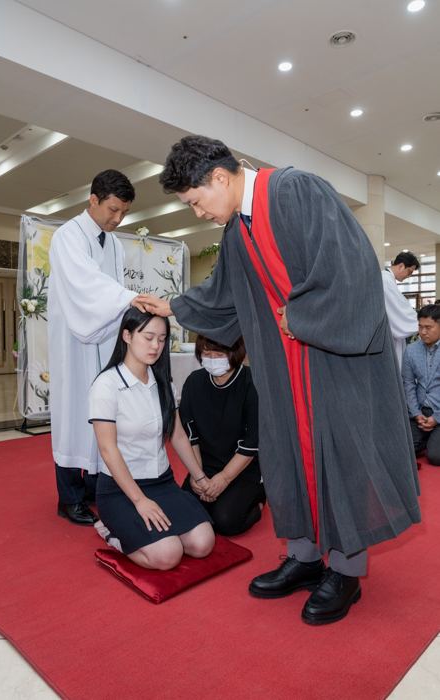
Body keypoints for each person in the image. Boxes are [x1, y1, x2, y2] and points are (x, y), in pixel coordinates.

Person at [132, 135, 421, 625]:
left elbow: (353, 272)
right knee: (288, 457)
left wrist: (301, 318)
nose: (198, 212)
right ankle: (307, 558)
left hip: (331, 361)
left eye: (196, 201)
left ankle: (346, 572)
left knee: (343, 459)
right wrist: (175, 306)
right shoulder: (237, 231)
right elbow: (223, 295)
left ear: (220, 178)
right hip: (284, 371)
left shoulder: (296, 191)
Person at [88, 308, 215, 569]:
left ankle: (153, 531)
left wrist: (200, 477)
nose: (155, 346)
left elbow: (177, 434)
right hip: (121, 490)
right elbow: (108, 450)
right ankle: (113, 536)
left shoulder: (163, 383)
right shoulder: (107, 385)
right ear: (127, 336)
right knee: (168, 555)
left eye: (161, 338)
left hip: (162, 483)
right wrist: (140, 501)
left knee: (202, 545)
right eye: (148, 337)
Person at [49, 169, 140, 526]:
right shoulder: (67, 236)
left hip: (106, 339)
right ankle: (68, 498)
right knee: (73, 414)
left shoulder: (113, 242)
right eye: (112, 209)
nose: (117, 219)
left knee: (102, 412)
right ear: (93, 199)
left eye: (123, 212)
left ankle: (92, 487)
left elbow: (110, 293)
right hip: (75, 341)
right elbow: (86, 285)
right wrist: (130, 298)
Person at [180, 334, 266, 536]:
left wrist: (224, 479)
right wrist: (197, 475)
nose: (212, 358)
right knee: (186, 517)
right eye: (206, 353)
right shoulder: (193, 382)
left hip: (243, 470)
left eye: (219, 353)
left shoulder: (252, 383)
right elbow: (189, 434)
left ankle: (260, 499)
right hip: (204, 466)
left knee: (225, 522)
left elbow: (252, 442)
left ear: (234, 353)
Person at [402, 304, 440, 466]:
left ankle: (432, 439)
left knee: (435, 457)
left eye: (428, 327)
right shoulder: (411, 350)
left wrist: (437, 418)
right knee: (402, 449)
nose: (423, 332)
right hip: (420, 412)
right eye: (420, 326)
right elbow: (408, 384)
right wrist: (416, 414)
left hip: (439, 412)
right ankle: (429, 437)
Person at [381, 251, 419, 368]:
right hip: (385, 336)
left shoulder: (386, 279)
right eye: (409, 272)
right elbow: (400, 310)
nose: (408, 277)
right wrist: (421, 321)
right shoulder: (386, 280)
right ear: (401, 266)